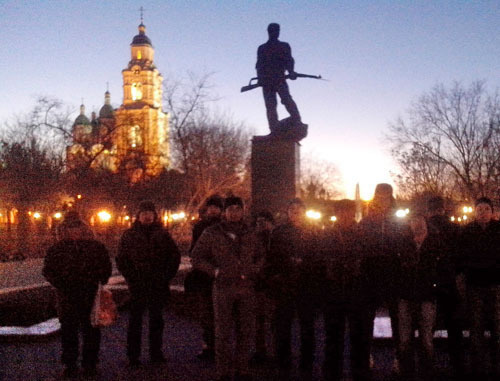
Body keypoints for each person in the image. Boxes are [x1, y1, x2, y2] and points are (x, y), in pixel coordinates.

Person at [191, 196, 265, 381]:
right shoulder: (212, 232)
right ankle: (223, 371)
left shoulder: (251, 232)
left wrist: (254, 270)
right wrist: (214, 272)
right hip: (223, 287)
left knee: (245, 329)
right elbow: (197, 257)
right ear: (225, 212)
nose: (234, 213)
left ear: (242, 211)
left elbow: (261, 256)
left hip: (246, 286)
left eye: (237, 209)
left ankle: (242, 368)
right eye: (230, 209)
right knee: (222, 331)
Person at [350, 183, 412, 381]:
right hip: (371, 275)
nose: (383, 199)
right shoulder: (368, 220)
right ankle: (366, 358)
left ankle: (399, 360)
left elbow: (405, 243)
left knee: (398, 320)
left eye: (386, 195)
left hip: (393, 274)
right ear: (376, 196)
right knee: (366, 321)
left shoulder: (398, 220)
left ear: (390, 197)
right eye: (380, 195)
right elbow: (359, 245)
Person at [43, 212, 112, 378]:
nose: (74, 231)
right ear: (64, 230)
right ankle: (70, 364)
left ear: (83, 228)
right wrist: (59, 283)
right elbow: (48, 270)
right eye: (70, 228)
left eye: (77, 227)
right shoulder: (56, 249)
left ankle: (90, 363)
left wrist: (99, 280)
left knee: (91, 331)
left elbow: (105, 265)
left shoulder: (95, 246)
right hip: (67, 294)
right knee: (69, 331)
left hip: (89, 293)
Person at [264, 198, 323, 379]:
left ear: (304, 211)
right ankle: (283, 362)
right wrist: (283, 268)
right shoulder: (279, 232)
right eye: (292, 209)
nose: (295, 212)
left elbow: (318, 257)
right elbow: (272, 257)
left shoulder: (313, 231)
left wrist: (305, 265)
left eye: (299, 209)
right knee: (283, 326)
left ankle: (306, 363)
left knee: (307, 327)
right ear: (287, 212)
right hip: (285, 285)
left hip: (306, 285)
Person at [116, 201, 180, 367]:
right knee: (135, 321)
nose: (147, 216)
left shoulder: (163, 234)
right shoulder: (129, 235)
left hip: (158, 283)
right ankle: (133, 355)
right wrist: (131, 278)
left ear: (154, 215)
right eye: (144, 213)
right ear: (138, 215)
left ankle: (156, 353)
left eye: (150, 213)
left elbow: (174, 257)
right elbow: (122, 260)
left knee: (156, 321)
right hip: (137, 284)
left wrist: (165, 276)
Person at [397, 214, 453, 379]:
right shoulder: (404, 243)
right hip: (406, 295)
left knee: (426, 337)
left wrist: (436, 287)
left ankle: (426, 371)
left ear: (425, 223)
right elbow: (396, 268)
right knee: (405, 338)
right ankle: (407, 371)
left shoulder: (436, 243)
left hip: (427, 295)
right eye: (414, 222)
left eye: (420, 221)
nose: (417, 225)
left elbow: (444, 268)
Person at [459, 197, 500, 378]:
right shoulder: (467, 231)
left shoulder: (498, 230)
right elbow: (462, 256)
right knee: (476, 327)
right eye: (479, 209)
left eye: (486, 209)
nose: (483, 212)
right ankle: (478, 366)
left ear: (492, 212)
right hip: (475, 285)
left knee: (498, 327)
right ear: (475, 212)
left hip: (496, 284)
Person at [426, 196, 465, 378]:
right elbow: (461, 255)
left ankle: (428, 366)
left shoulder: (425, 228)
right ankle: (458, 365)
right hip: (450, 282)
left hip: (430, 282)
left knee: (428, 327)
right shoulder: (455, 228)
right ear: (443, 209)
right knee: (454, 327)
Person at [186, 195, 224, 361]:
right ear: (207, 209)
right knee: (207, 313)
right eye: (211, 207)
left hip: (224, 275)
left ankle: (222, 345)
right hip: (205, 276)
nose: (214, 210)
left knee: (223, 313)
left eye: (217, 207)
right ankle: (209, 345)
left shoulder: (226, 227)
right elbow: (194, 250)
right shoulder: (200, 227)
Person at [256, 23, 301, 132]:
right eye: (273, 30)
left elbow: (289, 60)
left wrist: (291, 71)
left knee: (286, 99)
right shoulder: (262, 48)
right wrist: (260, 78)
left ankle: (297, 120)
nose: (275, 32)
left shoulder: (284, 46)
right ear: (268, 31)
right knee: (270, 106)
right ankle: (273, 129)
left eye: (277, 30)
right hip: (267, 82)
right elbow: (259, 65)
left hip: (280, 79)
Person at [253, 210, 275, 364]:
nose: (261, 224)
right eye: (259, 222)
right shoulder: (253, 239)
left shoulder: (275, 239)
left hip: (270, 284)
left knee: (269, 321)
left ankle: (271, 351)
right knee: (258, 321)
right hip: (256, 284)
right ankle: (260, 350)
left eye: (264, 221)